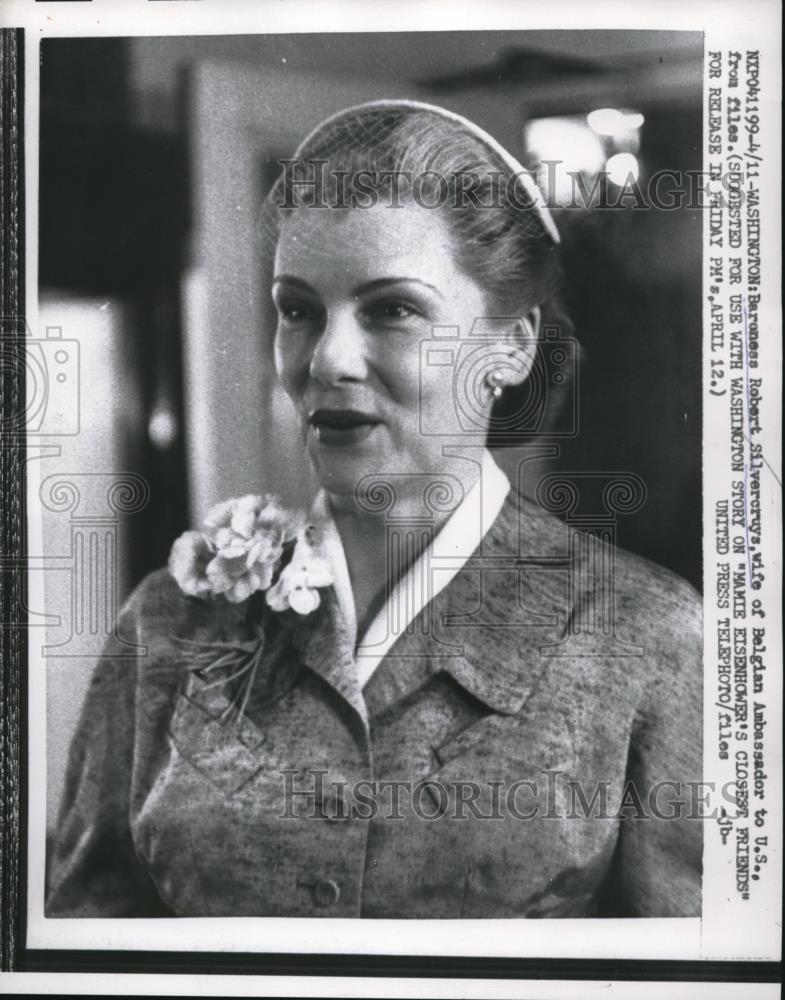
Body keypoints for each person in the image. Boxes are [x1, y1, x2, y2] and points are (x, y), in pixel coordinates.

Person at [46, 100, 702, 919]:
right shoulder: (170, 621)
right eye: (297, 309)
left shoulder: (647, 638)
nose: (327, 357)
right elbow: (83, 938)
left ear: (512, 344)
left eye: (392, 308)